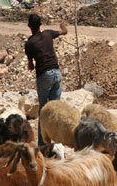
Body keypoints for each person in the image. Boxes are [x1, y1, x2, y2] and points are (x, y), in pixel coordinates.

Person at [24, 14, 68, 145]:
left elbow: (31, 66)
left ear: (29, 26)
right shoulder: (49, 34)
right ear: (41, 24)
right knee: (55, 110)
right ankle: (58, 141)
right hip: (57, 73)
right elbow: (64, 32)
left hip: (44, 75)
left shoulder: (29, 43)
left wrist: (31, 59)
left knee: (43, 111)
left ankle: (43, 145)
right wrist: (63, 26)